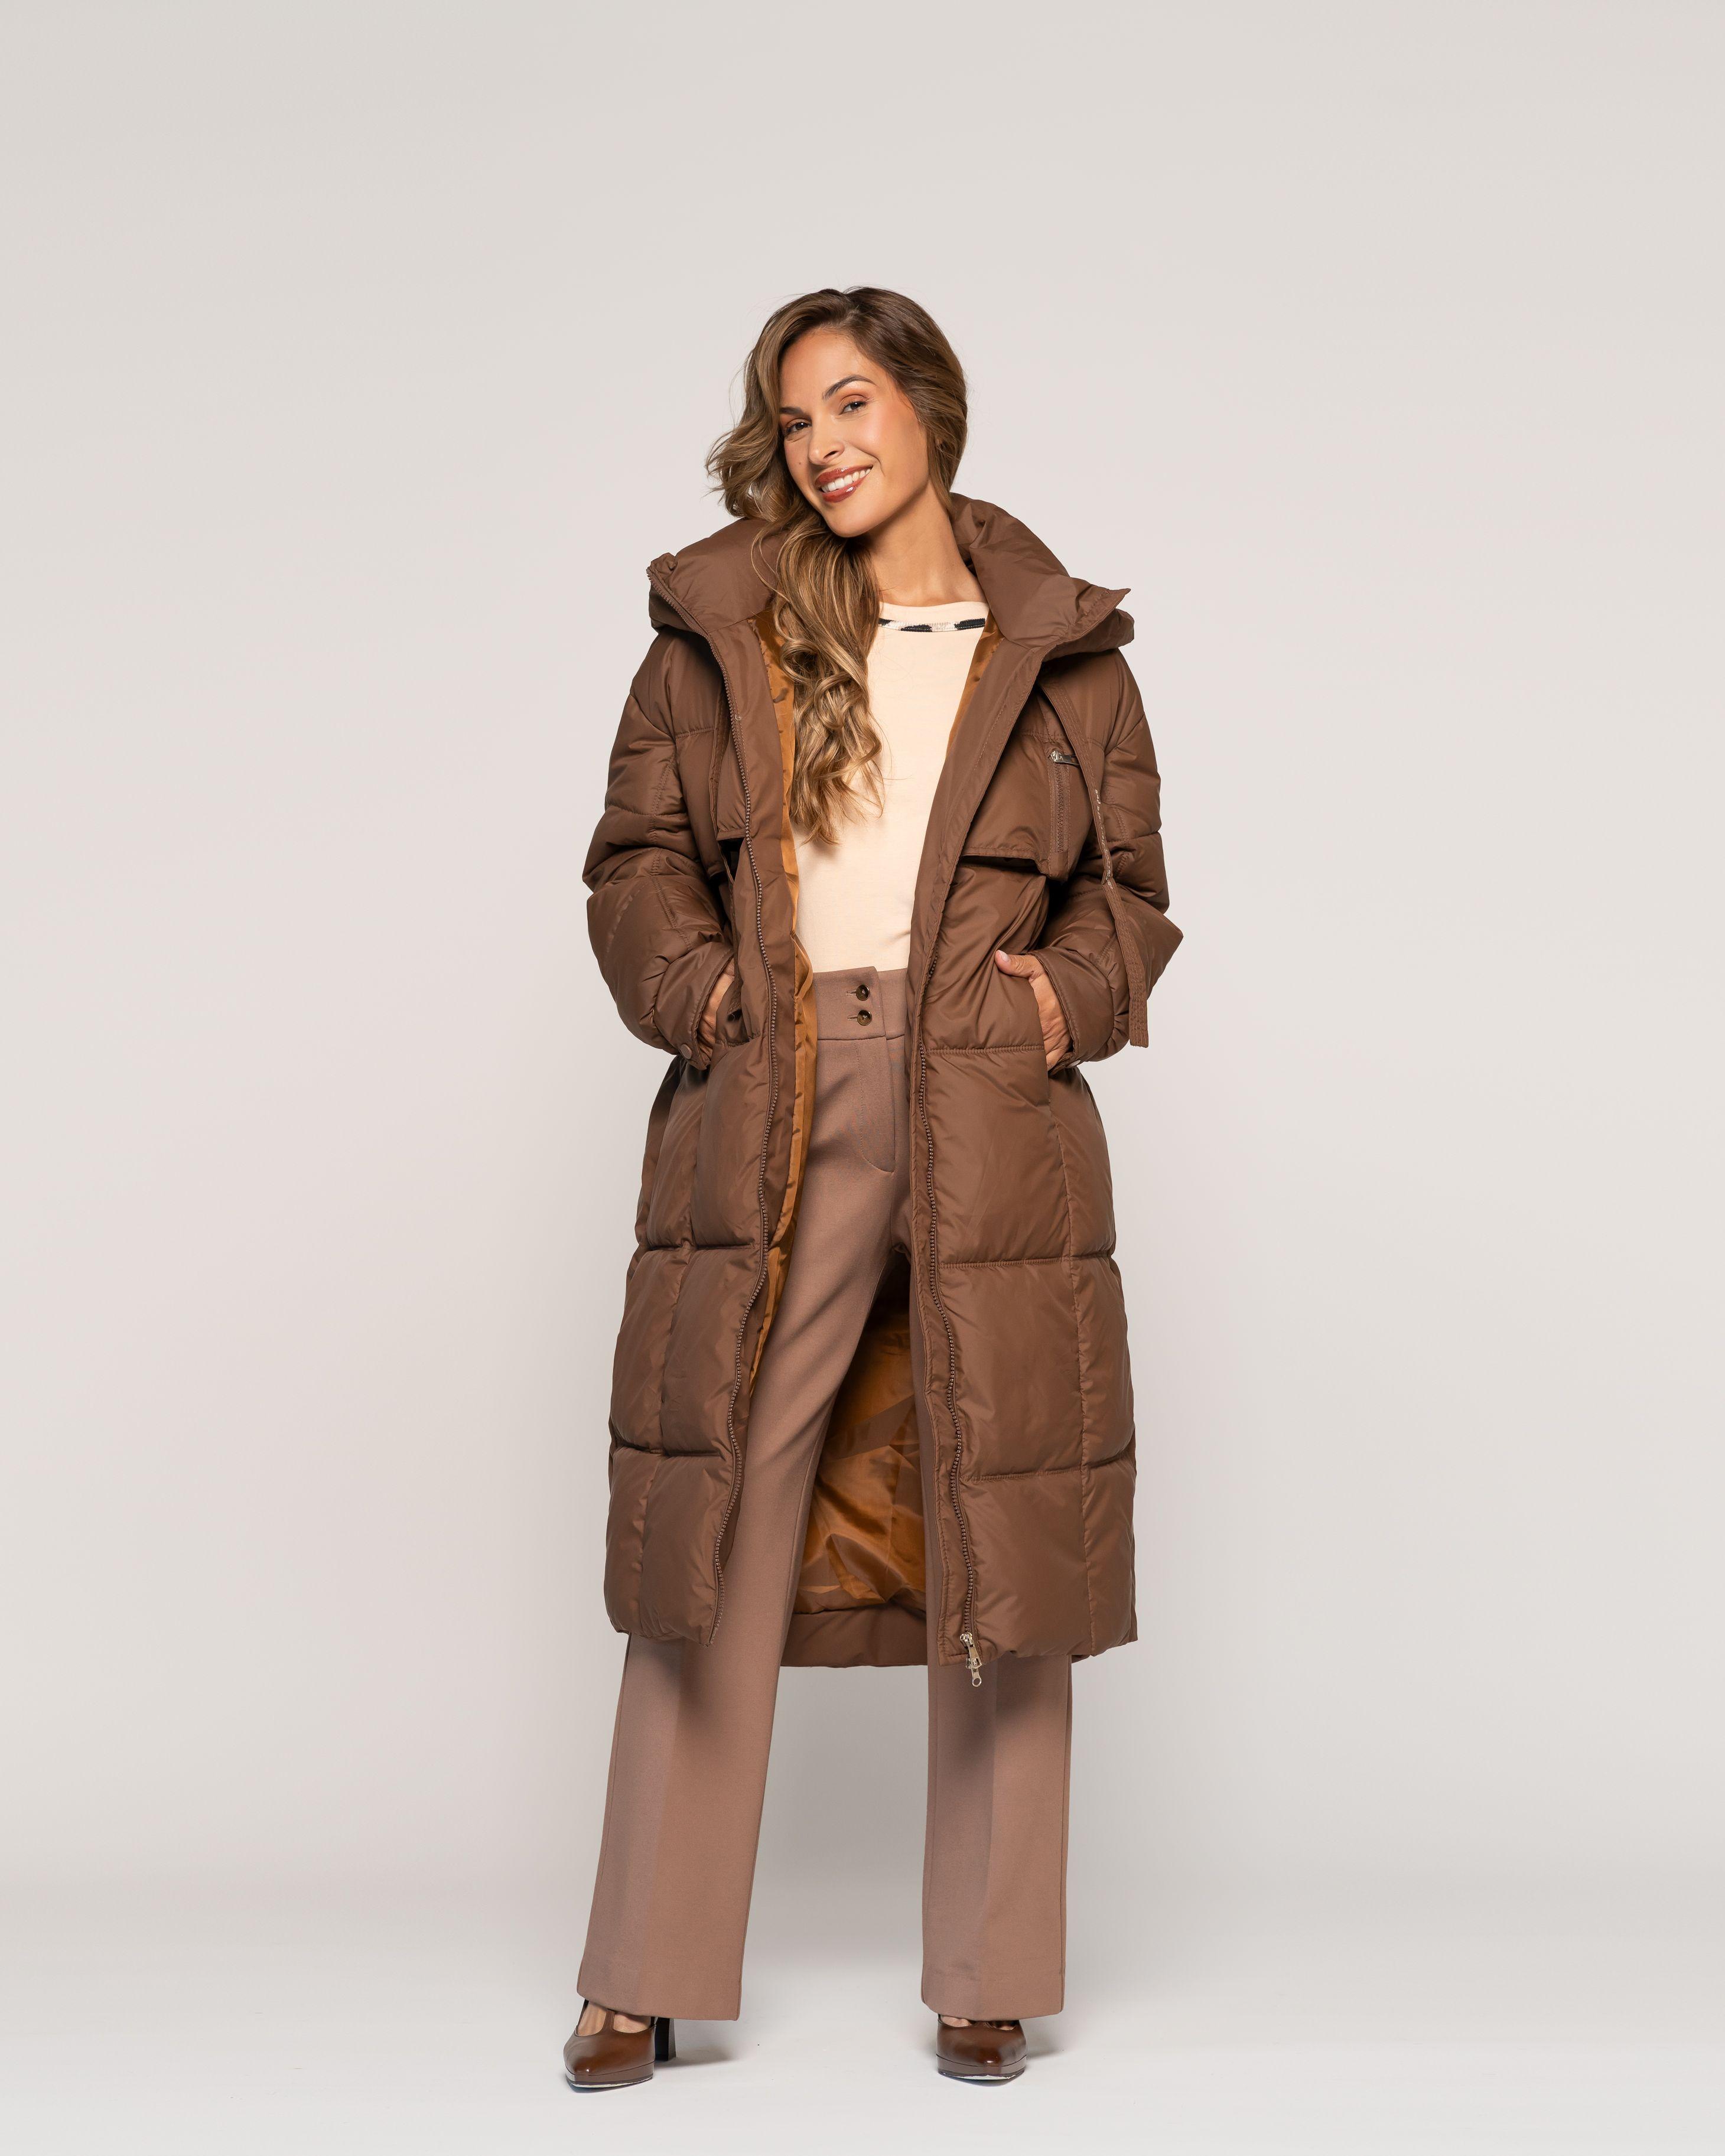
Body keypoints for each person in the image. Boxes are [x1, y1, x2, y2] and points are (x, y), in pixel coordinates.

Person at [564, 286, 1181, 2090]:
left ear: (926, 405)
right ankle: (641, 1967)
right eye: (795, 417)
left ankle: (993, 1965)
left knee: (1002, 1504)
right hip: (786, 1086)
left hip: (991, 1100)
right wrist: (709, 995)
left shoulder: (1065, 655)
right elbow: (634, 868)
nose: (825, 442)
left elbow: (1131, 898)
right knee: (725, 1520)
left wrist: (1061, 999)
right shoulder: (721, 636)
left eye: (851, 400)